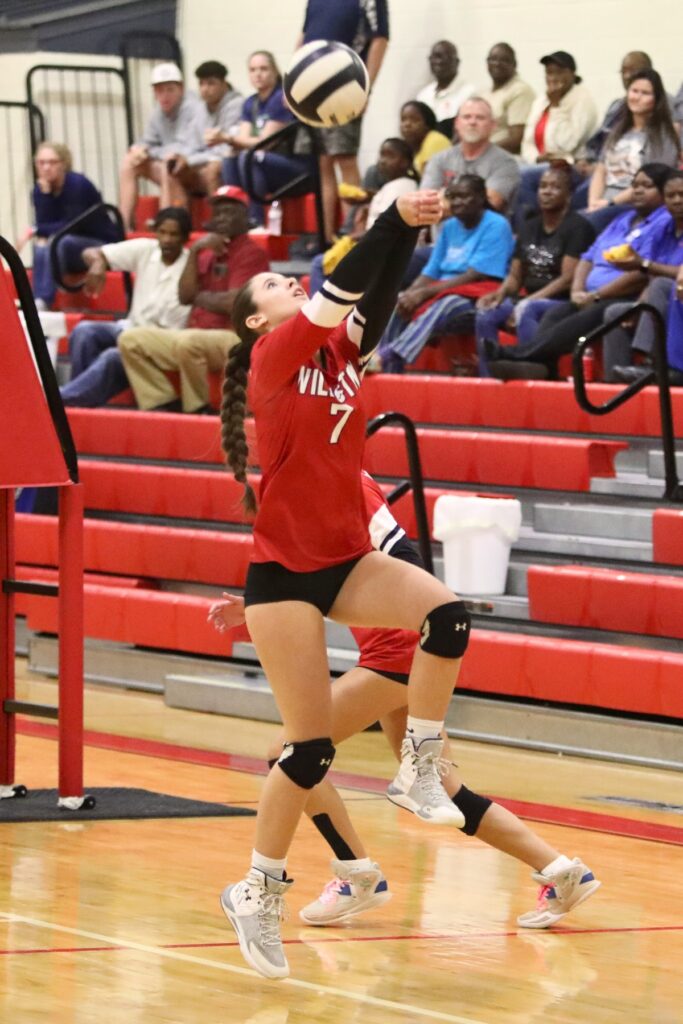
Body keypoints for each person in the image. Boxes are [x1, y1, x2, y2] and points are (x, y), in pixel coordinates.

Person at [217, 190, 475, 980]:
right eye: (272, 287)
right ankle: (256, 891)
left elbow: (379, 291)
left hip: (345, 561)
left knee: (447, 617)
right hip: (286, 577)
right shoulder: (277, 354)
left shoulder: (339, 356)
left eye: (288, 282)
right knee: (306, 751)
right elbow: (345, 283)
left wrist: (410, 227)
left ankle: (418, 764)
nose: (288, 284)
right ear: (256, 321)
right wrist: (392, 218)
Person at [209, 471, 601, 931]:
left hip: (395, 657)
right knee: (446, 789)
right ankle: (561, 872)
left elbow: (403, 562)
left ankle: (357, 874)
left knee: (289, 754)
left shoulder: (346, 483)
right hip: (400, 657)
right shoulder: (325, 482)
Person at [485, 164, 671, 377]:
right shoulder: (623, 219)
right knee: (556, 314)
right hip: (589, 294)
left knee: (587, 316)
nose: (637, 190)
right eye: (635, 185)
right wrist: (577, 290)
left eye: (647, 186)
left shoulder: (662, 222)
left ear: (663, 191)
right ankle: (545, 369)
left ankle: (517, 354)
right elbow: (588, 256)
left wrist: (597, 295)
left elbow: (640, 273)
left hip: (621, 295)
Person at [118, 187, 269, 414]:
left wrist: (199, 297)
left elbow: (233, 303)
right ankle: (162, 402)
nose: (221, 217)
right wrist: (196, 249)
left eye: (229, 211)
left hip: (234, 338)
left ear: (244, 216)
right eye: (217, 212)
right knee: (130, 339)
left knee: (188, 342)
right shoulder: (206, 251)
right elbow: (184, 295)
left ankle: (198, 407)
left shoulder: (251, 253)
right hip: (194, 335)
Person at [379, 174, 514, 372]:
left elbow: (474, 275)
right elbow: (432, 270)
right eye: (453, 197)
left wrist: (423, 294)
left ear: (481, 197)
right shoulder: (449, 226)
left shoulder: (497, 224)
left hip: (476, 296)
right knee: (397, 301)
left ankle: (388, 355)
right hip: (441, 291)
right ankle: (387, 372)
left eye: (464, 196)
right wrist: (411, 294)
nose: (457, 202)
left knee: (447, 303)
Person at [59, 208, 191, 407]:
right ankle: (78, 399)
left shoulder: (191, 265)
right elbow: (91, 252)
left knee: (113, 356)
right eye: (162, 232)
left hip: (161, 339)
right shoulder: (147, 249)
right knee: (83, 331)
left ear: (184, 237)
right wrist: (97, 264)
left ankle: (65, 399)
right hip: (131, 326)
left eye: (173, 234)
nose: (167, 239)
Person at [475, 167, 595, 375]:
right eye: (543, 186)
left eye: (555, 187)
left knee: (528, 310)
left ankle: (538, 369)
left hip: (562, 301)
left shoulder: (578, 227)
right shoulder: (529, 227)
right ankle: (489, 376)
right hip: (530, 297)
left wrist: (528, 301)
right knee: (486, 314)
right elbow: (515, 275)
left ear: (568, 196)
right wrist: (499, 294)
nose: (547, 192)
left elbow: (568, 278)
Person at [296, 0, 390, 243]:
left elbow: (380, 39)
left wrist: (365, 88)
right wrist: (292, 83)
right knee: (322, 162)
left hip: (343, 85)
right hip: (310, 88)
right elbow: (304, 37)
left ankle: (354, 236)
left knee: (344, 158)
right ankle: (326, 237)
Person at [308, 137, 419, 296]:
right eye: (381, 155)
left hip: (381, 252)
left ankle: (317, 319)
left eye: (390, 156)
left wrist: (354, 236)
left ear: (406, 163)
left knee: (319, 264)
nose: (383, 161)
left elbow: (387, 228)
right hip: (375, 247)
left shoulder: (400, 186)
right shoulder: (397, 185)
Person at [601, 170, 683, 382]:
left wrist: (644, 264)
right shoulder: (664, 228)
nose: (676, 200)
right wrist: (640, 305)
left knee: (664, 285)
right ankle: (615, 382)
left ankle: (651, 364)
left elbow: (661, 272)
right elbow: (650, 275)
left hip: (677, 296)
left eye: (682, 195)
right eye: (671, 195)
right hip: (664, 298)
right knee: (616, 313)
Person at [21, 142, 119, 310]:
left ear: (64, 164)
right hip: (66, 246)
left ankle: (43, 299)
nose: (46, 167)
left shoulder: (78, 184)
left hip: (98, 242)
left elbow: (72, 225)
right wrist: (45, 197)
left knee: (58, 241)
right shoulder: (40, 189)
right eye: (41, 163)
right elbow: (44, 226)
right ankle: (39, 302)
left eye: (52, 162)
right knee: (43, 244)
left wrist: (36, 230)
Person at [222, 50, 314, 226]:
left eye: (263, 69)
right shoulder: (251, 102)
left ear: (274, 71)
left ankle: (256, 221)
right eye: (253, 69)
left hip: (297, 166)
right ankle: (233, 218)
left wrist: (227, 138)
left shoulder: (281, 98)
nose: (258, 74)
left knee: (249, 157)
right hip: (269, 163)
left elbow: (265, 143)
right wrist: (231, 141)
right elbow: (242, 139)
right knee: (229, 158)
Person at [585, 70, 680, 231]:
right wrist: (594, 201)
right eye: (634, 91)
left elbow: (652, 182)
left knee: (581, 225)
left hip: (633, 204)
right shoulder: (618, 130)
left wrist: (610, 203)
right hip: (603, 201)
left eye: (645, 93)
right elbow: (601, 169)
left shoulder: (663, 136)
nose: (637, 97)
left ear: (656, 100)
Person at [118, 62, 202, 231]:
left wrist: (151, 152)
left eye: (170, 89)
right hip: (170, 162)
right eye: (159, 90)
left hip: (195, 166)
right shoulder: (159, 111)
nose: (164, 96)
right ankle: (124, 226)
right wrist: (139, 150)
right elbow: (148, 140)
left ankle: (167, 226)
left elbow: (185, 148)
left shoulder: (194, 108)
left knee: (168, 165)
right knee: (129, 163)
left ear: (181, 88)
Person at [517, 52, 598, 222]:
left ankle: (533, 222)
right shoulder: (541, 100)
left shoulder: (583, 100)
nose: (553, 77)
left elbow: (567, 144)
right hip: (539, 162)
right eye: (549, 72)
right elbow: (527, 141)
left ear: (572, 73)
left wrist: (556, 107)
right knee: (511, 169)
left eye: (559, 72)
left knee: (523, 176)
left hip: (569, 165)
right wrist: (537, 158)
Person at [421, 97, 520, 214]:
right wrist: (469, 199)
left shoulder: (505, 162)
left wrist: (444, 195)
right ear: (457, 124)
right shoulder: (439, 159)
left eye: (480, 118)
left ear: (493, 125)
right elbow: (424, 203)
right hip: (442, 231)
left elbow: (490, 204)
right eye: (467, 117)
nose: (472, 122)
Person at [173, 60, 244, 199]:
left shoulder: (237, 105)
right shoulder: (200, 108)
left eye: (211, 83)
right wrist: (183, 159)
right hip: (205, 161)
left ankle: (220, 218)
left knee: (212, 170)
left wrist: (192, 160)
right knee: (175, 169)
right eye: (201, 84)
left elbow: (225, 150)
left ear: (224, 84)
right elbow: (191, 145)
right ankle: (179, 218)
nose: (205, 89)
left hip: (231, 161)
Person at [481, 42, 535, 155]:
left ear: (514, 64)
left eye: (504, 60)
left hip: (505, 158)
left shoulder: (520, 90)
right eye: (493, 59)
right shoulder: (483, 93)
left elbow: (516, 139)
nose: (497, 64)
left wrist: (481, 152)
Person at [417, 40, 476, 136]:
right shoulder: (423, 95)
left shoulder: (469, 94)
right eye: (434, 57)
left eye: (444, 57)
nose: (438, 62)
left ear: (457, 62)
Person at [399, 100, 451, 177]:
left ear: (427, 124)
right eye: (403, 119)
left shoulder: (435, 140)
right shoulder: (411, 146)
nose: (407, 124)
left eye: (414, 120)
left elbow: (432, 180)